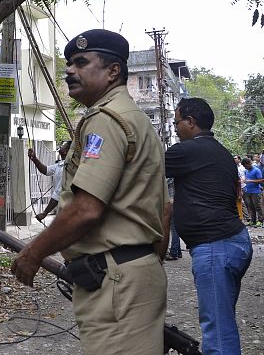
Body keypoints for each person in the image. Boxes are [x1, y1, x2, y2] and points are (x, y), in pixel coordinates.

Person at [10, 29, 169, 355]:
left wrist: (33, 252)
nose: (69, 71)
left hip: (115, 278)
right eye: (69, 64)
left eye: (82, 62)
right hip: (127, 272)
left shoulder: (106, 119)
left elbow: (86, 209)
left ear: (113, 71)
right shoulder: (132, 118)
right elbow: (164, 207)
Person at [166, 97, 252, 355]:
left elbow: (139, 168)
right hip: (233, 243)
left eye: (176, 121)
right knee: (222, 321)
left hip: (216, 247)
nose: (175, 127)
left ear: (190, 122)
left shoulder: (188, 150)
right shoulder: (221, 151)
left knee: (217, 328)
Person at [27, 141, 72, 222]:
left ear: (66, 151)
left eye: (63, 146)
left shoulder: (66, 168)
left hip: (67, 207)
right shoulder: (60, 165)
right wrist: (34, 159)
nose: (60, 147)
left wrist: (45, 213)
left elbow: (58, 192)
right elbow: (46, 170)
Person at [241, 156, 264, 226]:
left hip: (256, 192)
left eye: (245, 166)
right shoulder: (246, 171)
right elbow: (246, 179)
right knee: (250, 207)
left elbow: (261, 180)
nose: (244, 167)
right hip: (248, 191)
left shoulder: (256, 170)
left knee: (258, 206)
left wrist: (249, 181)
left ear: (249, 164)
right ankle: (253, 220)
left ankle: (260, 220)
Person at [164, 177, 182, 260]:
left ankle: (174, 252)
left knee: (171, 228)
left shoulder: (168, 177)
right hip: (177, 202)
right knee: (175, 228)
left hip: (170, 202)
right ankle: (178, 251)